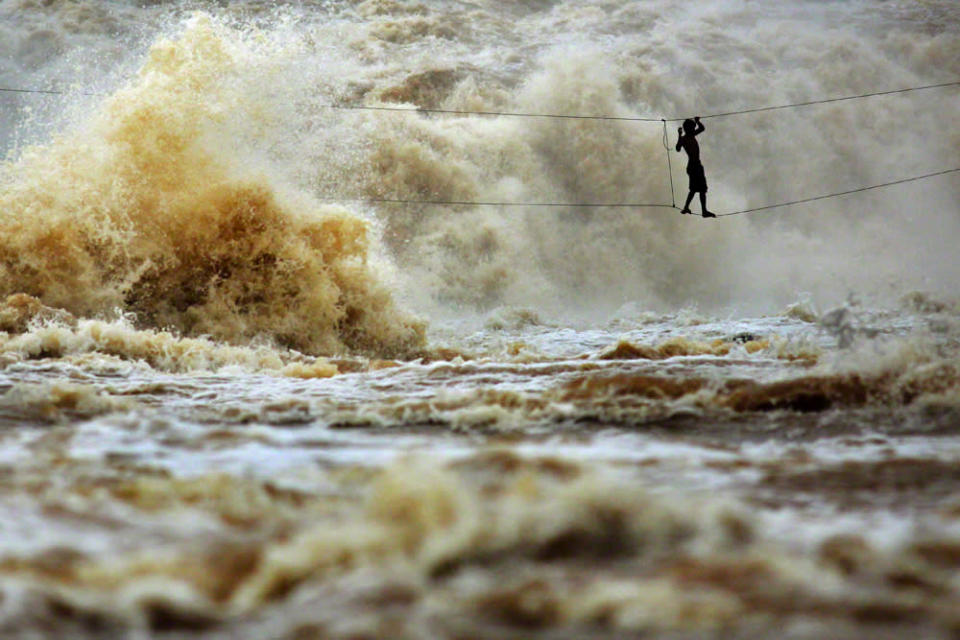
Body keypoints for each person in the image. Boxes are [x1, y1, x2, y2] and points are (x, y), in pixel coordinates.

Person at [675, 116, 715, 218]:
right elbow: (678, 148)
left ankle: (688, 207)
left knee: (695, 189)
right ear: (688, 129)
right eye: (692, 128)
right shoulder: (685, 138)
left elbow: (702, 128)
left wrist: (698, 122)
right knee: (700, 189)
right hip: (694, 166)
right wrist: (679, 135)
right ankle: (703, 211)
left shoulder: (690, 135)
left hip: (695, 166)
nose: (693, 129)